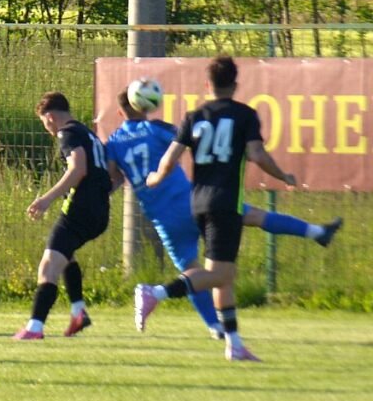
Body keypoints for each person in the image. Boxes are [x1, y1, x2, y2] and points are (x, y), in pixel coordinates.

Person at [106, 89, 342, 339]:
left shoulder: (113, 143)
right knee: (254, 217)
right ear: (145, 106)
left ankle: (214, 327)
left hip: (162, 218)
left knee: (192, 271)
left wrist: (104, 193)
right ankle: (316, 232)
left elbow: (115, 177)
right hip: (190, 202)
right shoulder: (155, 128)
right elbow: (186, 141)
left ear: (120, 112)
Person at [140, 57, 296, 362]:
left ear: (207, 85)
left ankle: (234, 344)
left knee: (224, 276)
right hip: (226, 203)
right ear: (235, 85)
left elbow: (171, 157)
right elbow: (257, 154)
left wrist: (155, 178)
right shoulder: (244, 115)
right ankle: (155, 293)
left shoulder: (194, 116)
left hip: (197, 202)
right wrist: (282, 176)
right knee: (220, 273)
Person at [13, 92, 110, 340]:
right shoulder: (87, 133)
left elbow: (78, 169)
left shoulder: (67, 133)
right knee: (65, 255)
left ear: (50, 117)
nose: (47, 128)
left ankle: (35, 327)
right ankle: (78, 311)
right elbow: (106, 171)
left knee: (48, 265)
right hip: (99, 211)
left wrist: (47, 199)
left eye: (44, 123)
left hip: (79, 210)